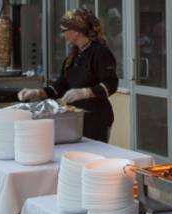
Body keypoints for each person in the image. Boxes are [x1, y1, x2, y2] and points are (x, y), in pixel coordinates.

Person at [18, 7, 118, 142]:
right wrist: (38, 92)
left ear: (76, 31)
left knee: (92, 153)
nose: (62, 35)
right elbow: (61, 85)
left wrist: (85, 92)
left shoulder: (100, 52)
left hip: (96, 118)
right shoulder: (73, 55)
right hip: (74, 117)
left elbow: (111, 84)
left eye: (64, 30)